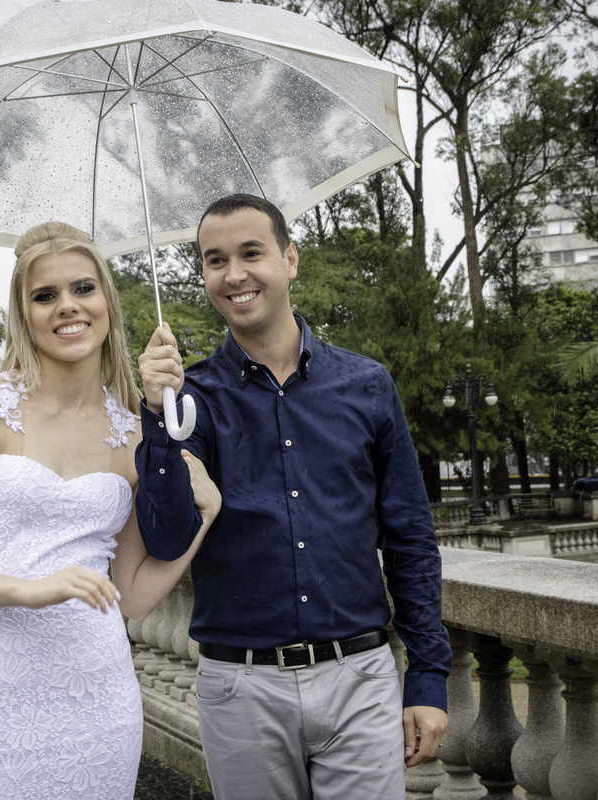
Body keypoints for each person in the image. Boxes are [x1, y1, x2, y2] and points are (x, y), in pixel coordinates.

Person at [0, 221, 220, 800]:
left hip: (97, 701)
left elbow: (133, 596)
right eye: (45, 295)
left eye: (83, 289)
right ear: (24, 312)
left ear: (107, 301)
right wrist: (28, 590)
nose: (68, 306)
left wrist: (205, 511)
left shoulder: (137, 432)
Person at [135, 194, 450, 800]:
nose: (234, 274)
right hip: (241, 688)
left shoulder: (367, 385)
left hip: (360, 677)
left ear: (290, 260)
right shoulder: (188, 400)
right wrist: (156, 416)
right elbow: (168, 536)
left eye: (251, 253)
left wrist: (429, 676)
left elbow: (410, 536)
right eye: (214, 260)